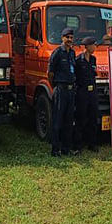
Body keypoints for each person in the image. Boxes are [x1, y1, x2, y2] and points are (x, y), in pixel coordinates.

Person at [47, 27, 77, 157]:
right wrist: (56, 86)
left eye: (71, 37)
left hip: (71, 90)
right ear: (62, 38)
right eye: (67, 37)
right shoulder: (57, 53)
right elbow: (50, 73)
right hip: (60, 89)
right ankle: (55, 149)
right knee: (57, 120)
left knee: (68, 121)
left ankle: (66, 148)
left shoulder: (72, 53)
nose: (69, 40)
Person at [74, 36, 99, 153]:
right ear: (87, 46)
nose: (95, 47)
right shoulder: (78, 60)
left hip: (92, 91)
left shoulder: (93, 59)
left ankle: (92, 143)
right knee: (81, 118)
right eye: (93, 45)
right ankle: (78, 144)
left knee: (93, 118)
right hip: (82, 92)